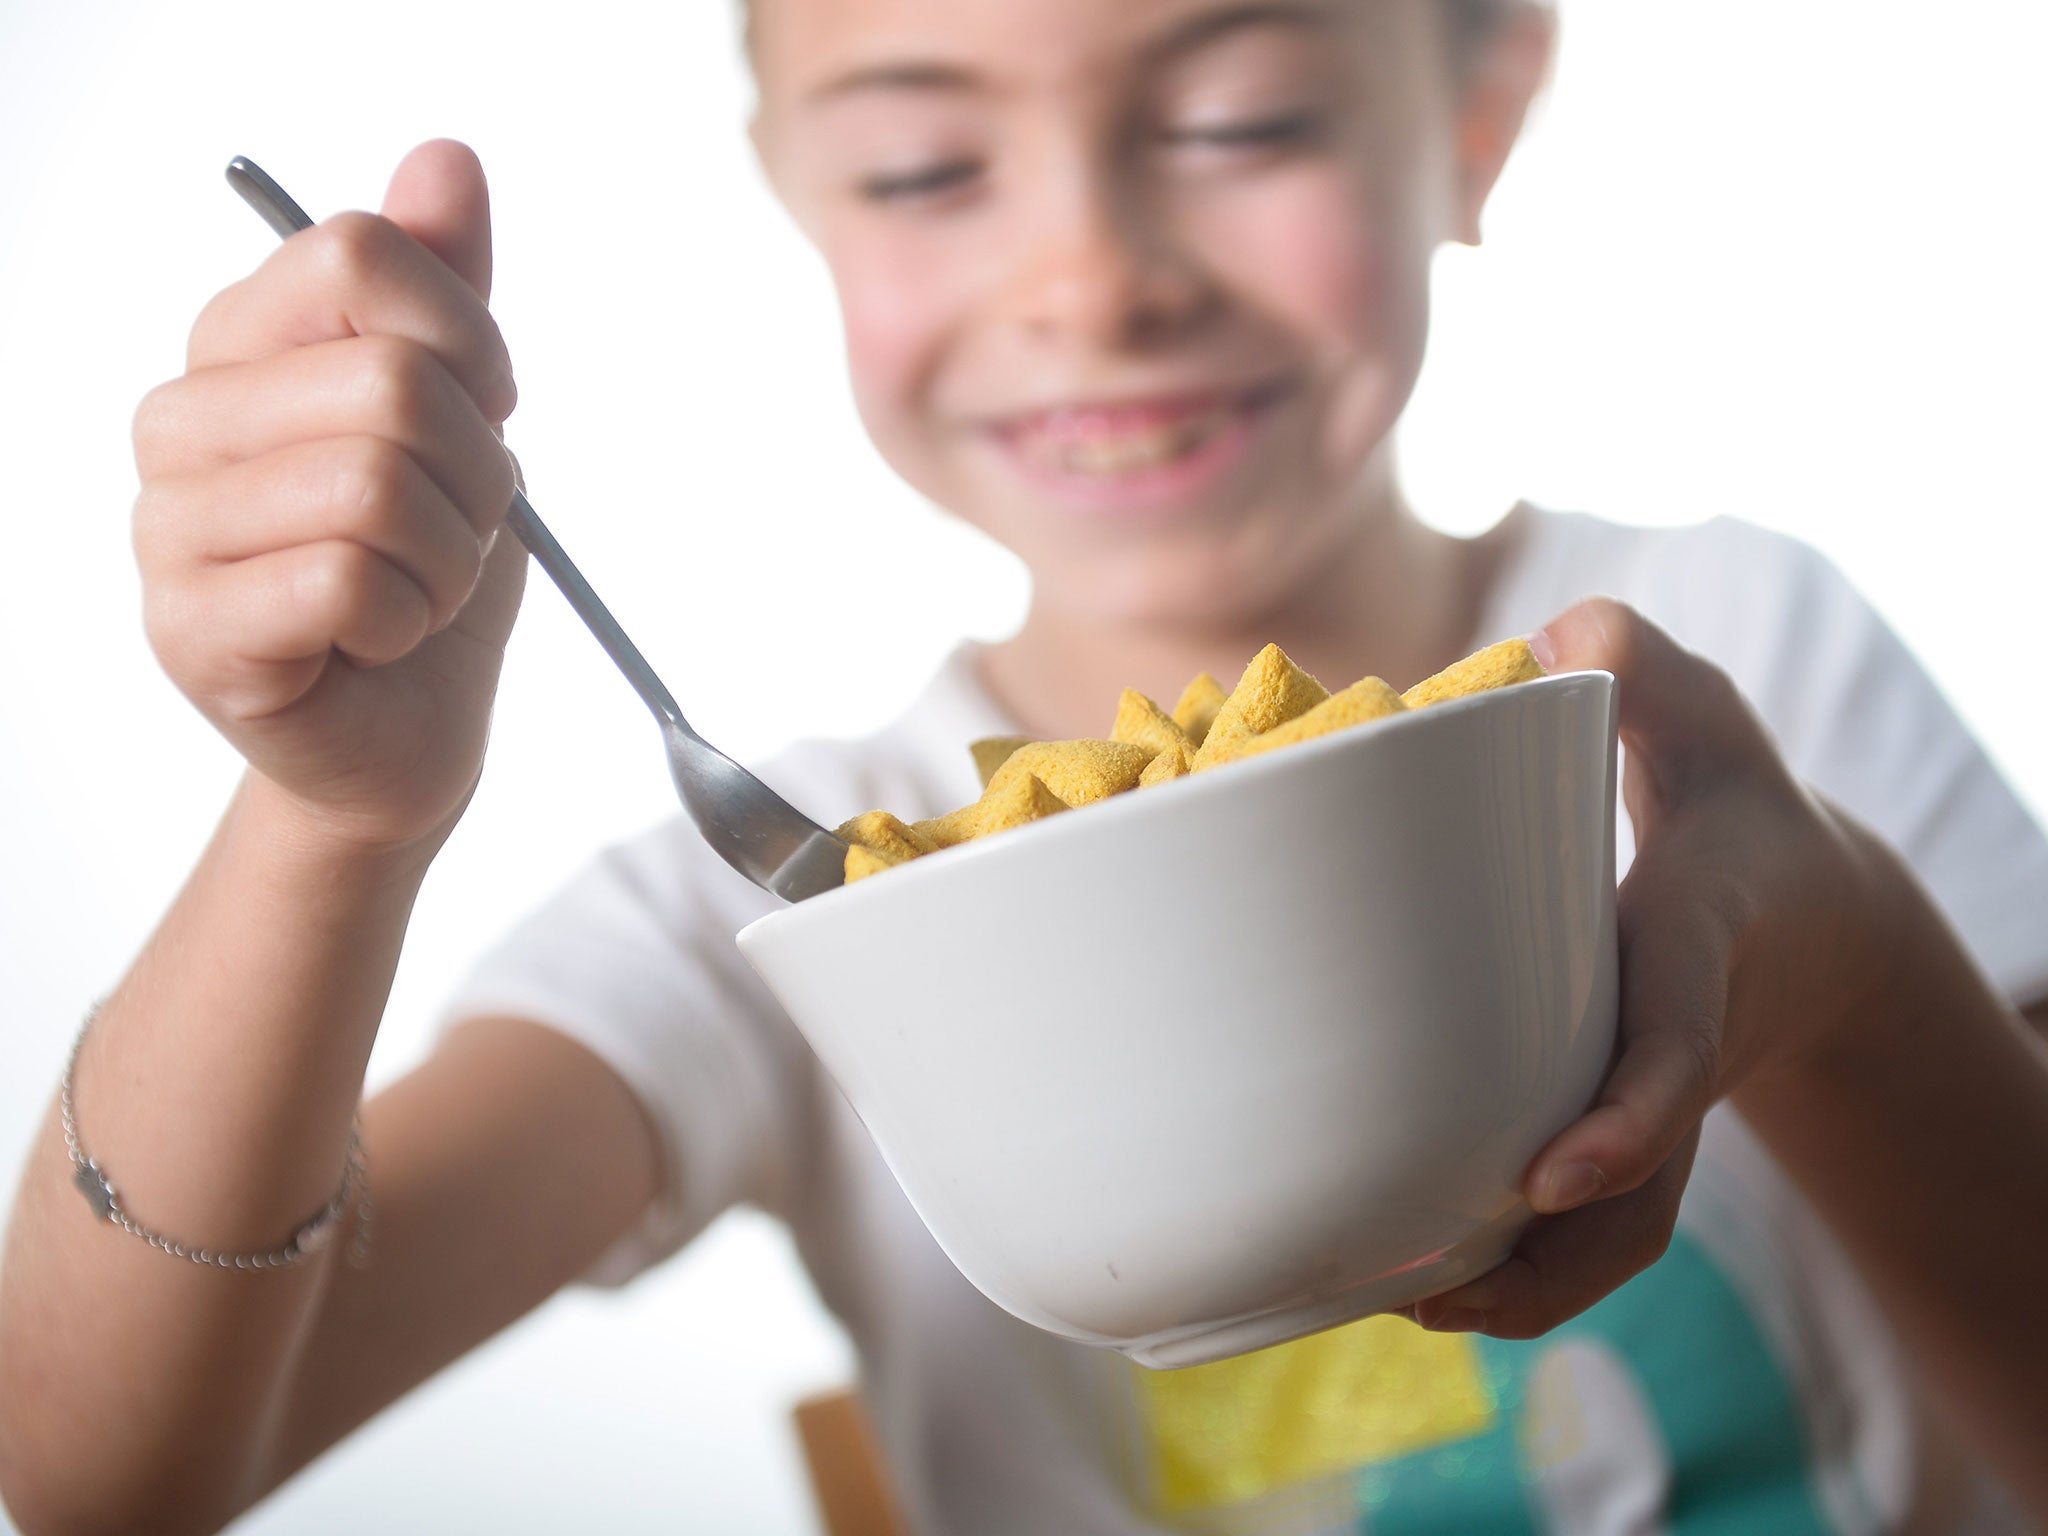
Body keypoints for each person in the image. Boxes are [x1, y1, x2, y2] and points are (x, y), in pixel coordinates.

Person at [3, 0, 2046, 1531]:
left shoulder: (1732, 665)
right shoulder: (780, 898)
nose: (1093, 279)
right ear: (794, 192)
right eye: (923, 169)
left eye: (1240, 119)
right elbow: (101, 1470)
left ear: (1481, 109)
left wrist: (1843, 961)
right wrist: (328, 821)